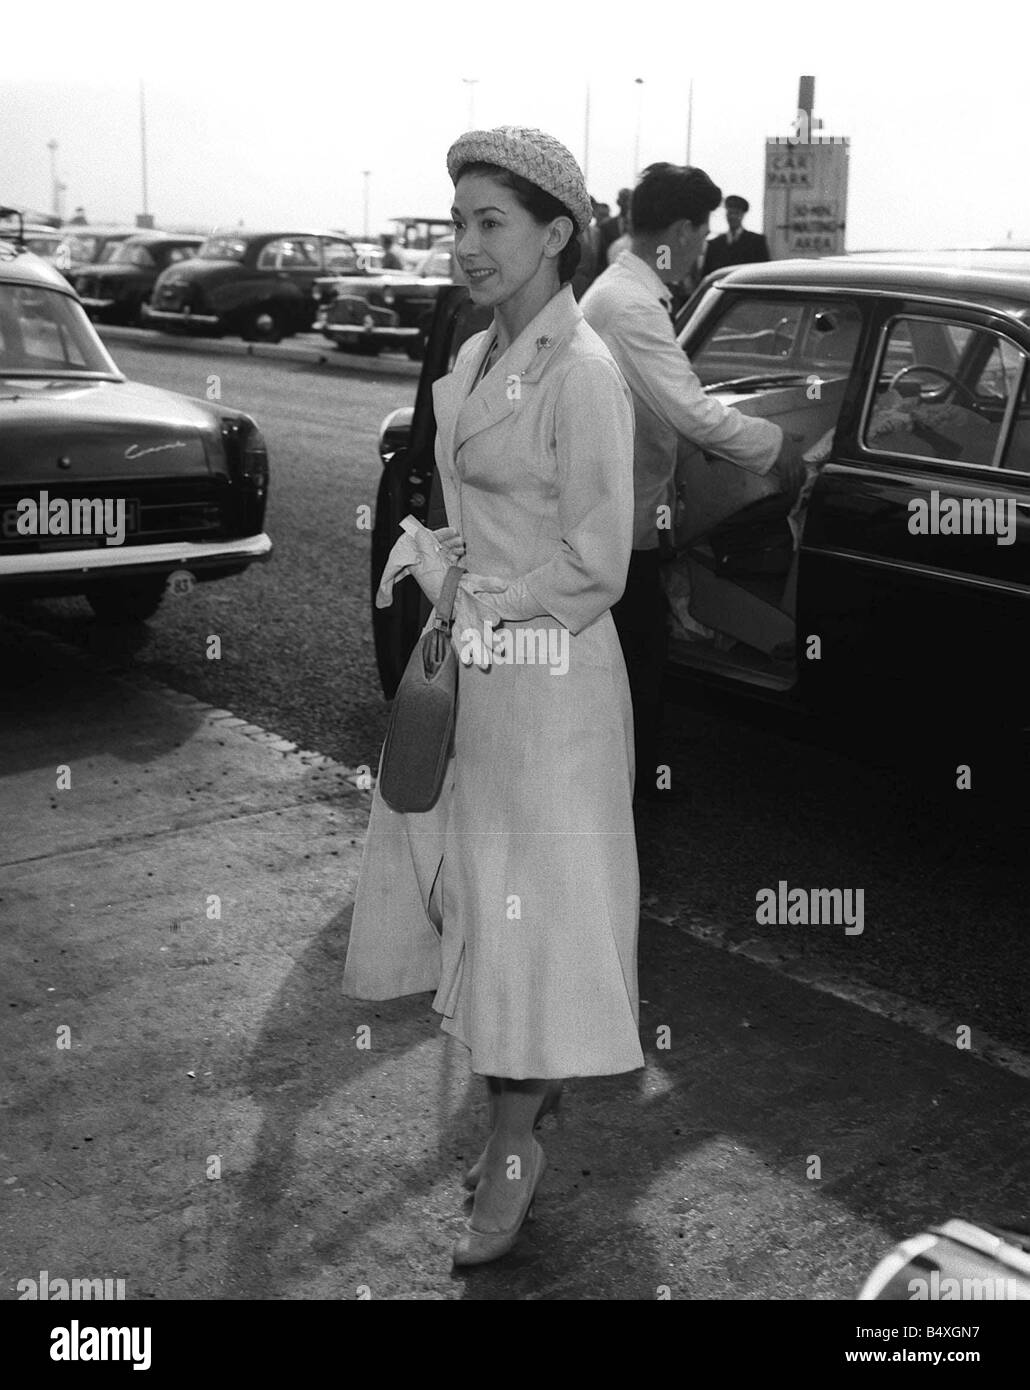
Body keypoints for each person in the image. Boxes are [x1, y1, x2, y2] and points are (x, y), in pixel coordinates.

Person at [343, 125, 642, 1266]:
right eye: (457, 221)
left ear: (556, 233)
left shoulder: (585, 372)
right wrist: (434, 555)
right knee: (479, 903)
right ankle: (518, 1118)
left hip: (552, 687)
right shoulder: (470, 358)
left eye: (491, 222)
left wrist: (479, 600)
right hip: (472, 672)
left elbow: (597, 562)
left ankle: (515, 1143)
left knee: (535, 924)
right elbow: (477, 518)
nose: (464, 245)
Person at [581, 164, 804, 800]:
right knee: (637, 665)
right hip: (614, 527)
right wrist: (777, 448)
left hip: (620, 515)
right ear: (678, 230)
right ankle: (626, 808)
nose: (704, 245)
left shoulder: (623, 291)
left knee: (630, 662)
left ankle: (620, 794)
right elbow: (691, 411)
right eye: (701, 232)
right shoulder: (630, 307)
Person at [701, 194, 770, 275]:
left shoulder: (756, 242)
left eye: (737, 213)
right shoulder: (714, 244)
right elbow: (706, 274)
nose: (733, 216)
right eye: (730, 213)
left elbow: (764, 272)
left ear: (743, 215)